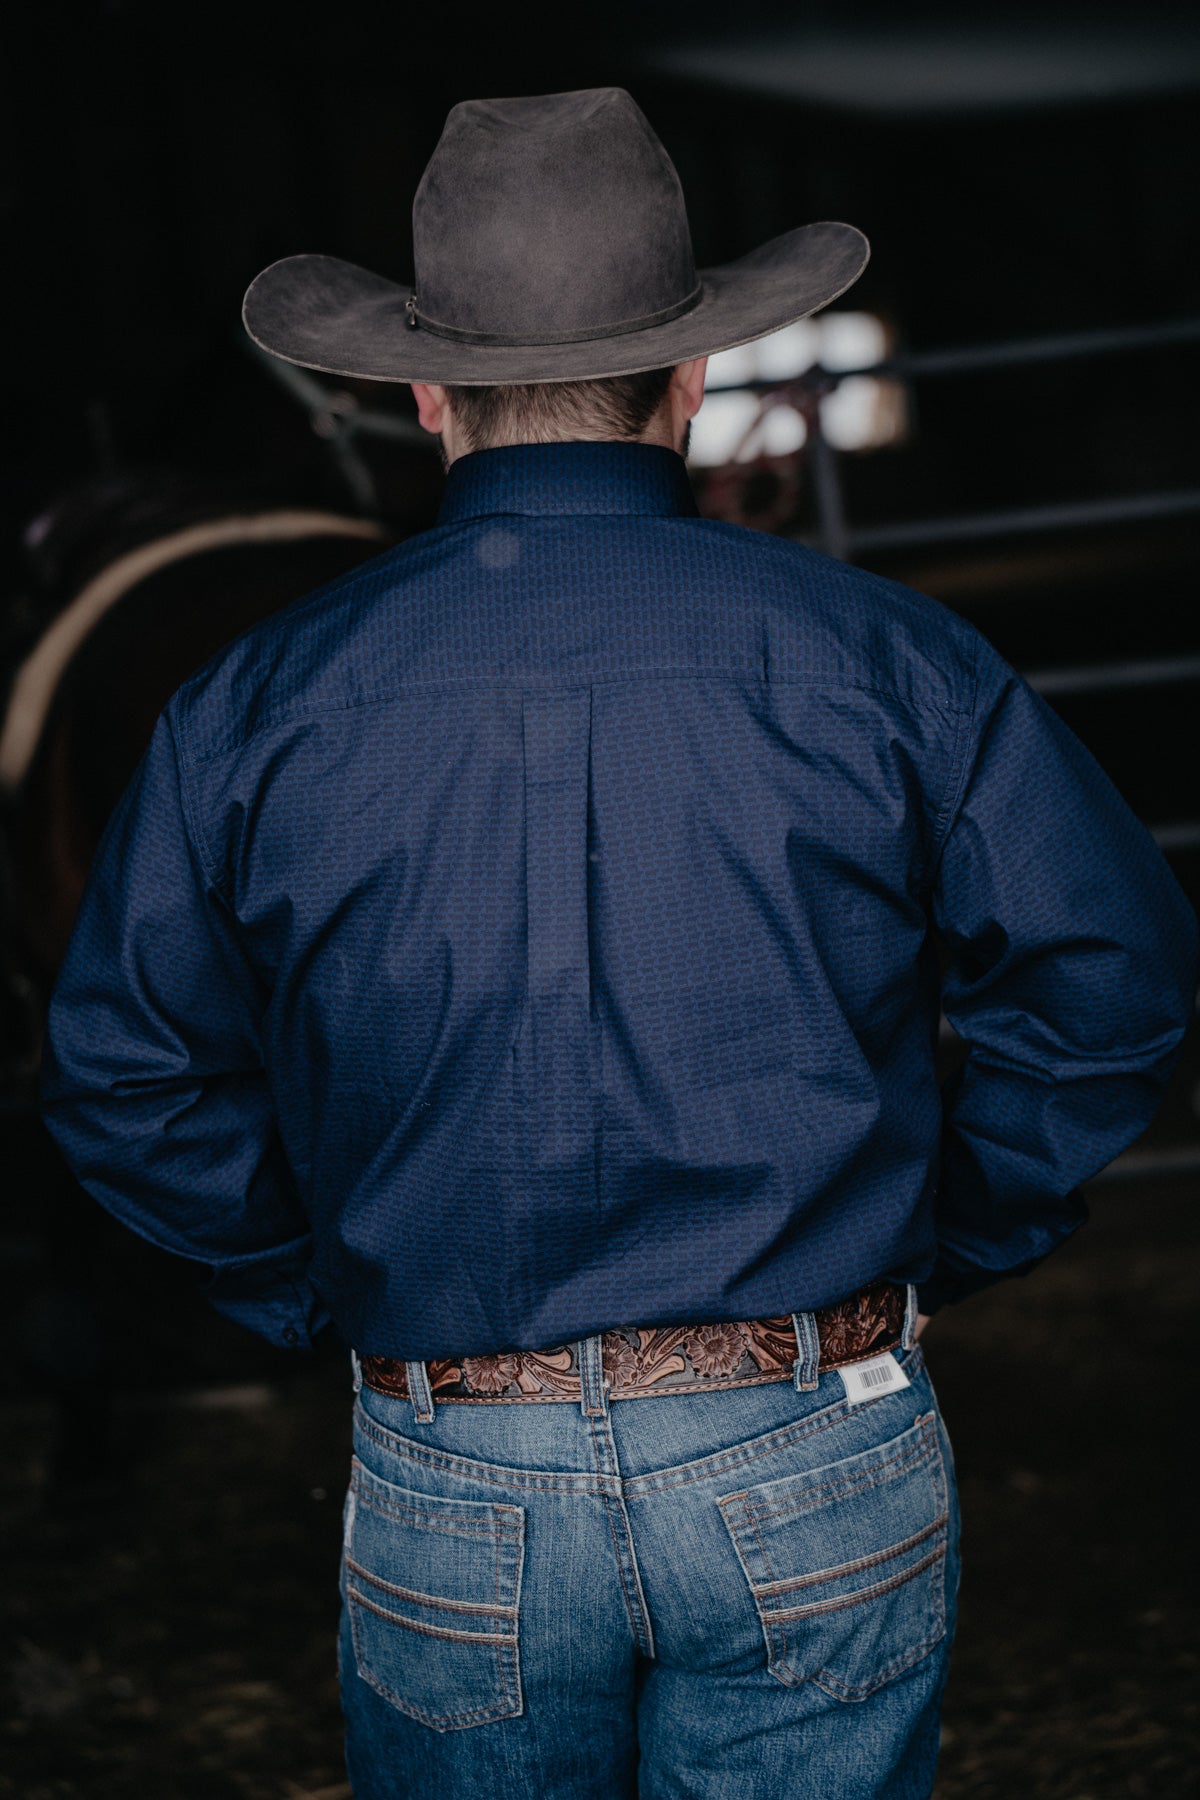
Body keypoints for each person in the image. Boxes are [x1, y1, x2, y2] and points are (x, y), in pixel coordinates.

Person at [41, 87, 1197, 1800]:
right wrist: (950, 1232)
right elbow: (1113, 986)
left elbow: (124, 1073)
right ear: (695, 373)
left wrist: (318, 1282)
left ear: (425, 396)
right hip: (809, 1426)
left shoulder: (253, 706)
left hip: (450, 1448)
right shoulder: (889, 659)